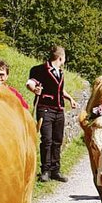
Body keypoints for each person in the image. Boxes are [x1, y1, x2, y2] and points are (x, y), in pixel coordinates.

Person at [27, 45, 76, 181]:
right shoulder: (40, 69)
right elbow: (30, 83)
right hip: (45, 108)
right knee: (47, 140)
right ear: (61, 58)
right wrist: (34, 90)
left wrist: (70, 98)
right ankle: (45, 171)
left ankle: (56, 170)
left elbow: (60, 90)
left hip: (59, 110)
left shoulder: (60, 72)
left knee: (57, 140)